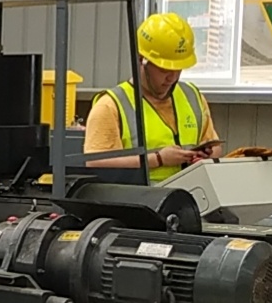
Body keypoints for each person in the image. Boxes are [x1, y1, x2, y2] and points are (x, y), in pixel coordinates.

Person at [83, 11, 220, 181]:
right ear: (142, 60)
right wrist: (158, 159)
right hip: (138, 196)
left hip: (191, 193)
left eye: (178, 69)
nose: (172, 77)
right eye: (164, 69)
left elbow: (214, 145)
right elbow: (95, 162)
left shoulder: (192, 96)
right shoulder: (111, 106)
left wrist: (205, 157)